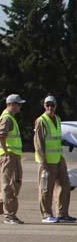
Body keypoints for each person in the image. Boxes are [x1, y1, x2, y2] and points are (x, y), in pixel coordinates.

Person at [34, 95, 75, 223]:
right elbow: (38, 142)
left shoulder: (57, 119)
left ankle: (62, 214)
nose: (50, 107)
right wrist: (43, 160)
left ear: (56, 106)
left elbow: (55, 139)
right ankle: (46, 214)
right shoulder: (41, 120)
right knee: (46, 188)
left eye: (52, 105)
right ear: (44, 106)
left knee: (65, 185)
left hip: (58, 158)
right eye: (48, 105)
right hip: (47, 161)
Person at [0, 94, 27, 224]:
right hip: (9, 156)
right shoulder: (7, 118)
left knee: (14, 183)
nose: (20, 107)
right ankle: (9, 215)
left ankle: (6, 210)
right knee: (9, 186)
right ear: (11, 104)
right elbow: (2, 136)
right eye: (19, 104)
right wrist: (6, 152)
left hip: (13, 156)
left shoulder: (10, 118)